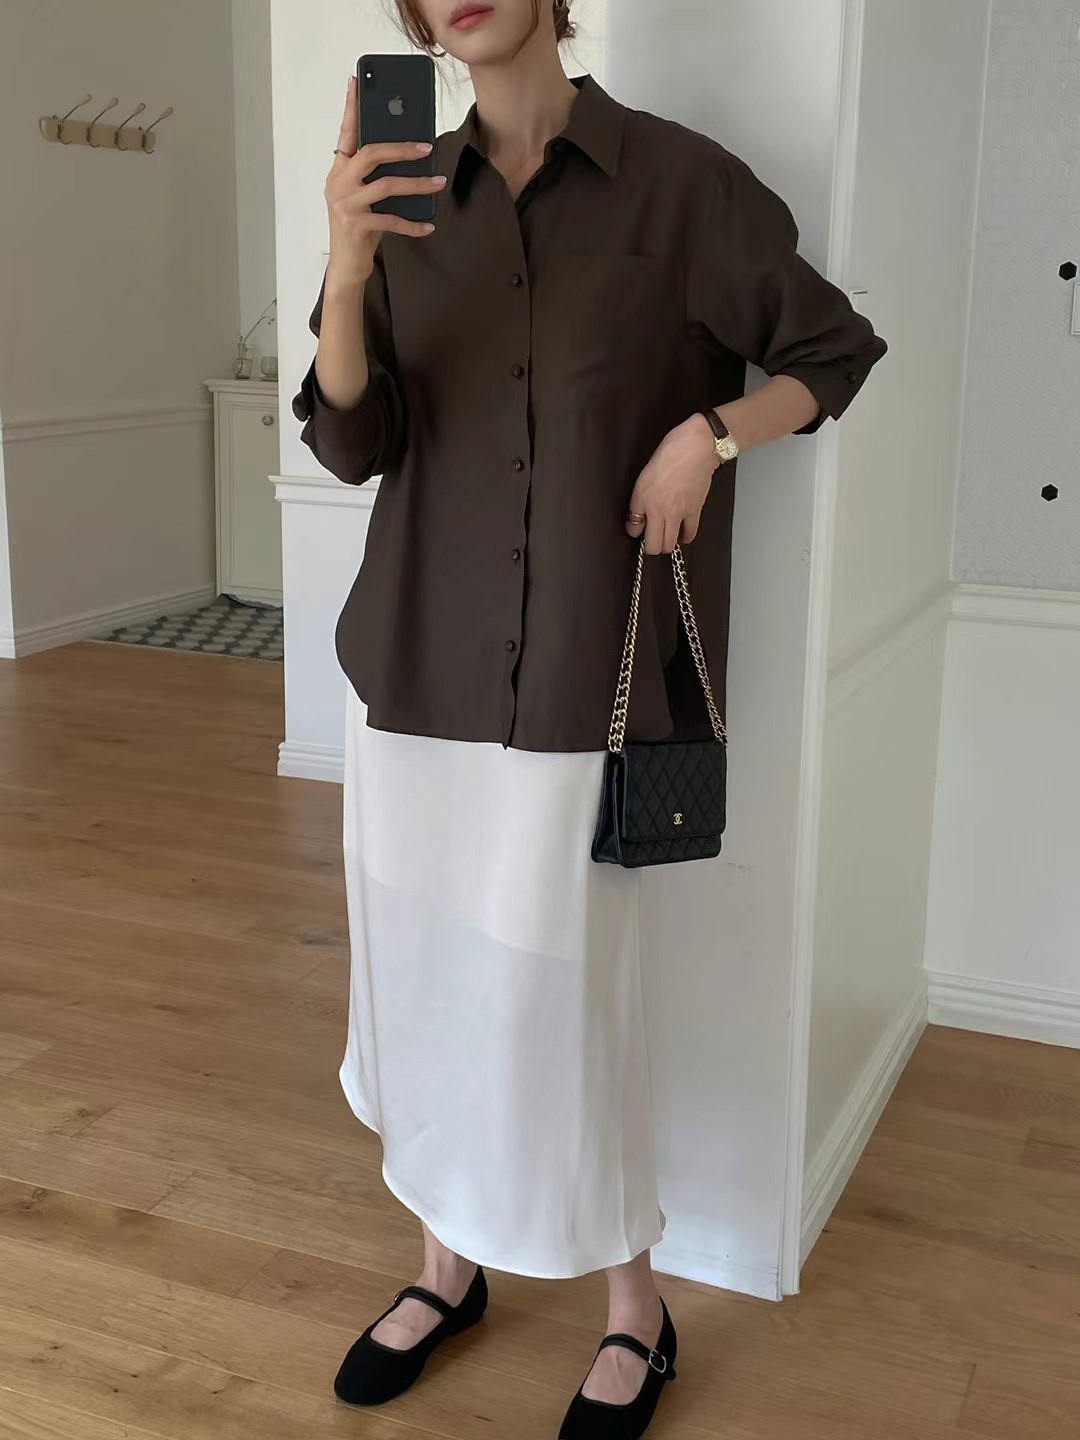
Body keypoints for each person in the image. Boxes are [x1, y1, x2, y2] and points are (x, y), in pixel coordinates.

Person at [291, 2, 887, 1435]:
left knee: (571, 1007)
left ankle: (637, 1310)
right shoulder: (401, 195)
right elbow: (354, 438)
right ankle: (445, 1273)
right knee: (425, 982)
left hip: (583, 680)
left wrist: (710, 432)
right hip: (416, 663)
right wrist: (347, 263)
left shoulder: (680, 184)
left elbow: (834, 349)